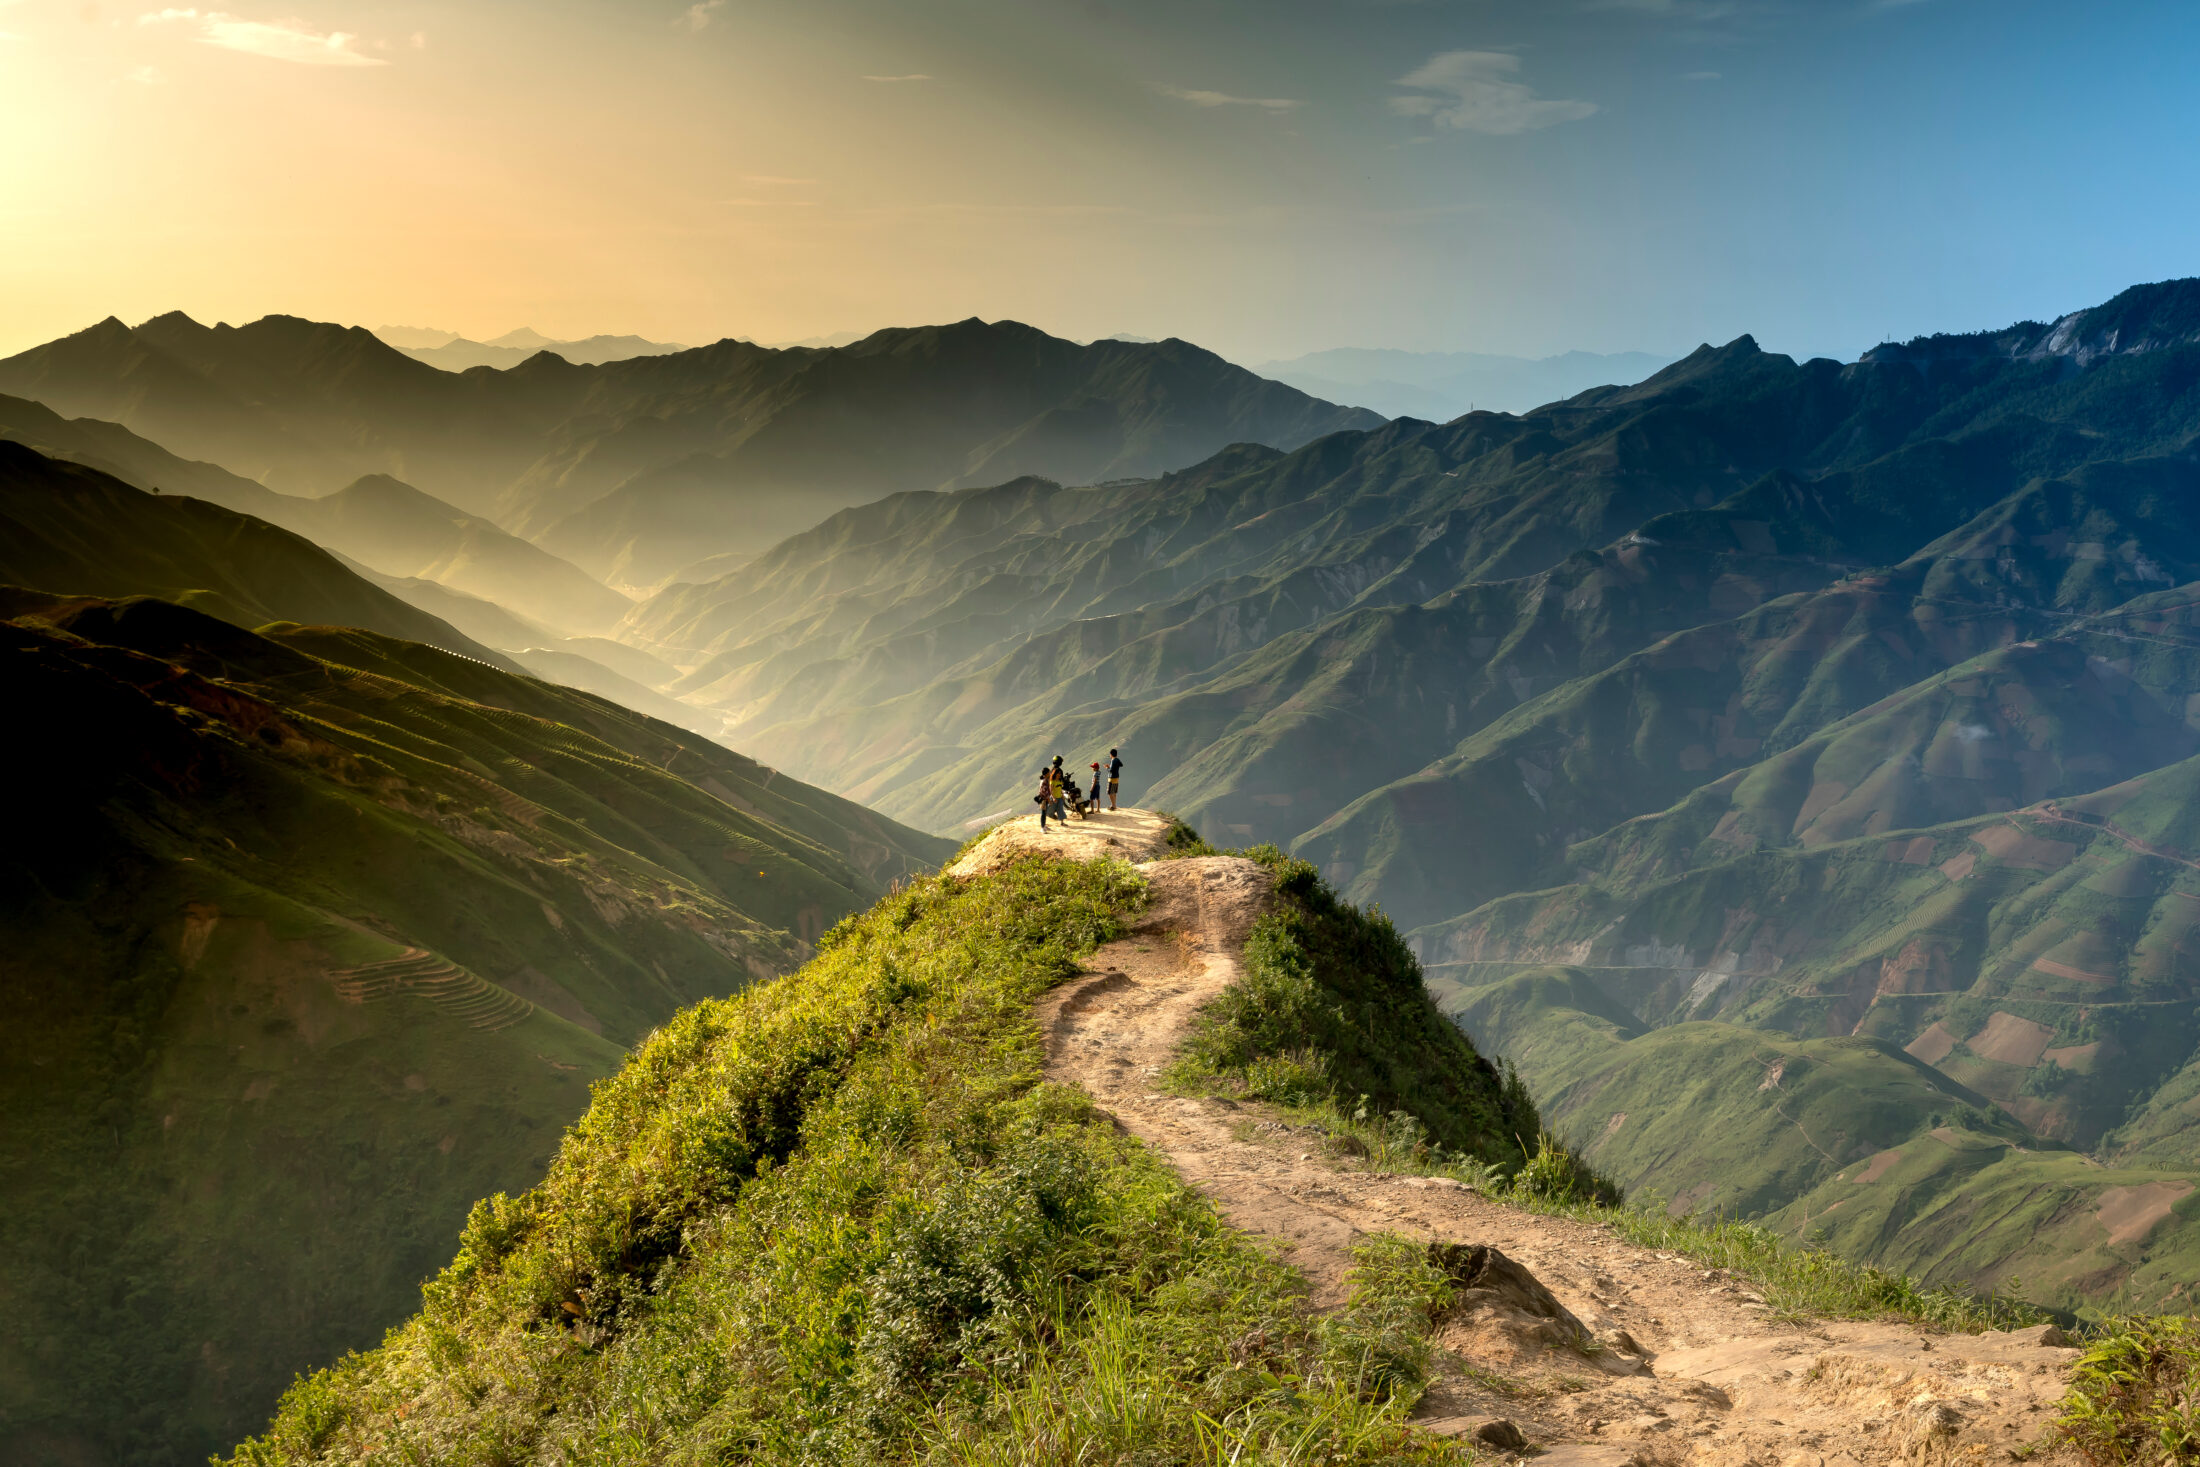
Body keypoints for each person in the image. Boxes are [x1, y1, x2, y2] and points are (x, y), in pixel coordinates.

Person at [1035, 766, 1055, 831]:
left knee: (1045, 812)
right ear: (1046, 774)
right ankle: (1042, 827)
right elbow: (1044, 792)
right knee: (1043, 813)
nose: (1050, 773)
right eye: (1049, 772)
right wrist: (1048, 799)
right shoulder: (1044, 781)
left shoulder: (1045, 780)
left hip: (1044, 798)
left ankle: (1044, 825)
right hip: (1043, 799)